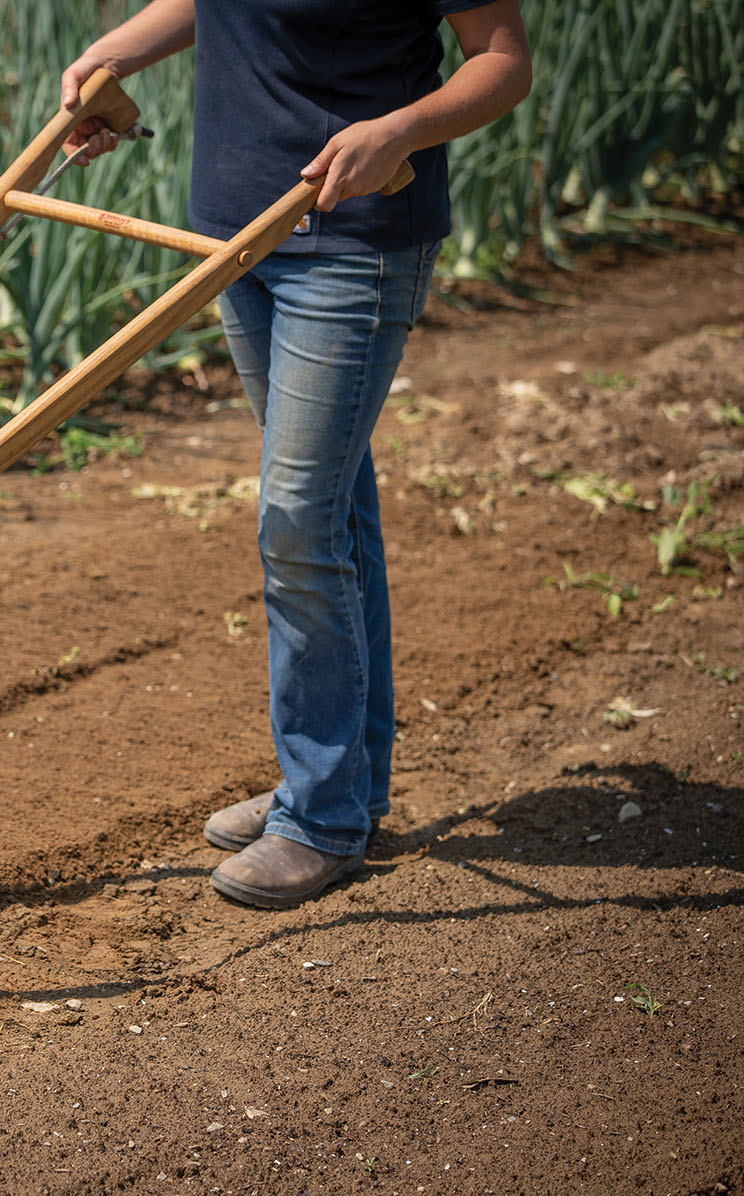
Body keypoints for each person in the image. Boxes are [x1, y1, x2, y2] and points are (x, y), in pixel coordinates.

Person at [61, 1, 531, 909]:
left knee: (297, 522)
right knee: (333, 508)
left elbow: (501, 60)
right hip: (239, 231)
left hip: (352, 239)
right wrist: (112, 56)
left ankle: (319, 816)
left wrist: (398, 129)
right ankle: (339, 787)